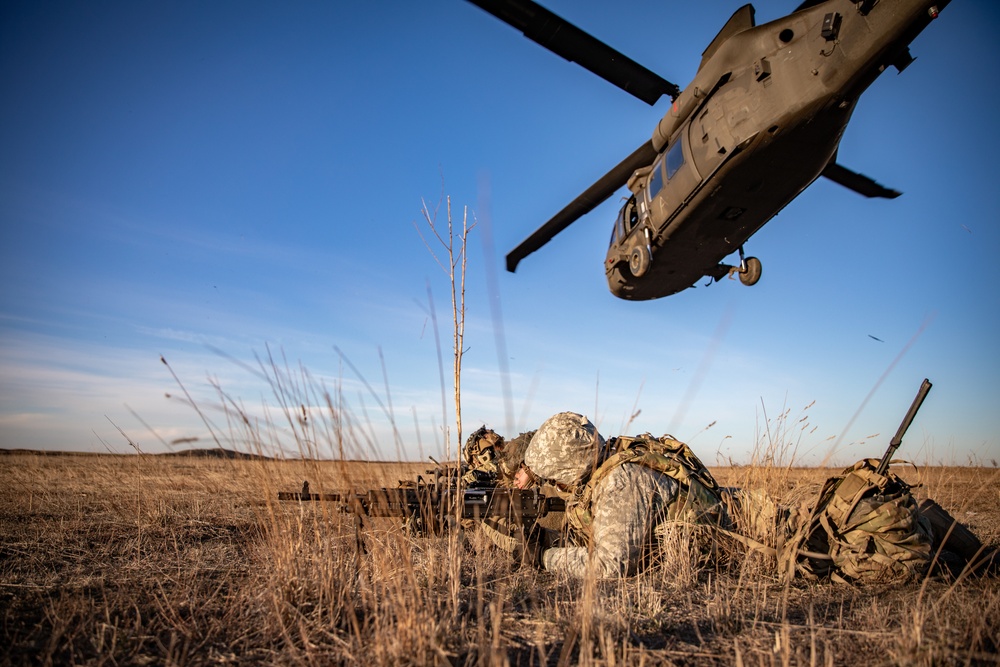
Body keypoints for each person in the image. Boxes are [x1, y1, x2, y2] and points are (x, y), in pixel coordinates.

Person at [517, 411, 685, 578]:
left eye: (554, 479)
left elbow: (610, 564)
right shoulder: (594, 481)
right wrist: (545, 537)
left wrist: (543, 557)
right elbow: (589, 543)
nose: (555, 485)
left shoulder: (620, 482)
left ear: (569, 470)